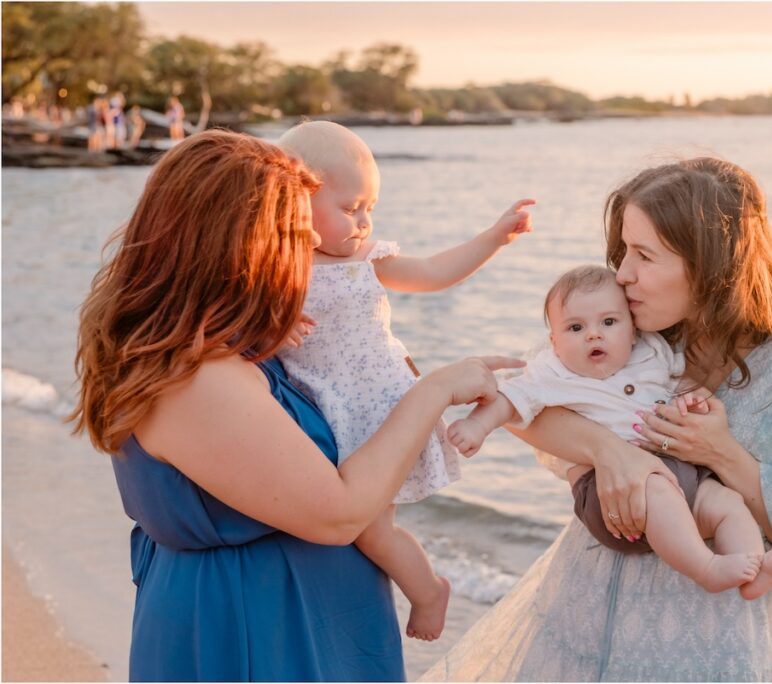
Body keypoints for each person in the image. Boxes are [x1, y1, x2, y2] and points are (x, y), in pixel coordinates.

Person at [69, 129, 522, 681]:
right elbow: (338, 513)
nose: (305, 247)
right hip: (258, 633)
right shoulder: (197, 378)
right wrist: (433, 391)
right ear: (237, 243)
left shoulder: (228, 345)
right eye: (290, 232)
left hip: (303, 619)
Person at [424, 157, 772, 681]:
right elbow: (524, 405)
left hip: (710, 653)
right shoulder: (631, 330)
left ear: (710, 264)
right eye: (623, 251)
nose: (622, 274)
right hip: (580, 626)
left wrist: (720, 453)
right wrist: (610, 451)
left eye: (644, 255)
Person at [275, 120, 534, 642]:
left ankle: (428, 591)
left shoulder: (368, 261)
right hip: (325, 413)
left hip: (381, 411)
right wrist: (274, 327)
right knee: (330, 520)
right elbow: (247, 330)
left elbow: (434, 272)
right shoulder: (280, 265)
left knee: (371, 529)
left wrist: (492, 239)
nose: (365, 222)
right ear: (296, 203)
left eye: (371, 208)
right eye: (351, 209)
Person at [447, 264, 772, 599]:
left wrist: (692, 403)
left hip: (679, 473)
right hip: (607, 489)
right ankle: (706, 569)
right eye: (575, 328)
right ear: (553, 342)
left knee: (727, 503)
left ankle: (755, 568)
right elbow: (510, 399)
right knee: (657, 490)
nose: (593, 334)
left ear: (632, 330)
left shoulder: (651, 353)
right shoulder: (552, 373)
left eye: (609, 322)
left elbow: (682, 385)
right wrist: (477, 425)